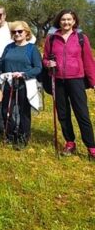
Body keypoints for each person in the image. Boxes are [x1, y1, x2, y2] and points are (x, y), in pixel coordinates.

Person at [43, 10, 95, 158]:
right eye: (63, 20)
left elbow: (88, 61)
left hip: (76, 80)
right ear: (59, 21)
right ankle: (70, 143)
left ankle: (91, 147)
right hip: (58, 80)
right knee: (63, 114)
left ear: (74, 21)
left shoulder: (81, 38)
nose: (66, 22)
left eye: (69, 19)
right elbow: (45, 58)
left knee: (82, 114)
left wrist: (93, 82)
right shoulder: (51, 39)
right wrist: (48, 63)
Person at [0, 21, 42, 149]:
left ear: (27, 32)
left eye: (20, 31)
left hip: (24, 84)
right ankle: (10, 134)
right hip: (9, 84)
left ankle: (23, 137)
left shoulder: (32, 48)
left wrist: (24, 74)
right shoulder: (9, 47)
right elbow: (1, 63)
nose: (17, 34)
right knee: (6, 110)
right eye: (14, 32)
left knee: (23, 112)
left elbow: (38, 68)